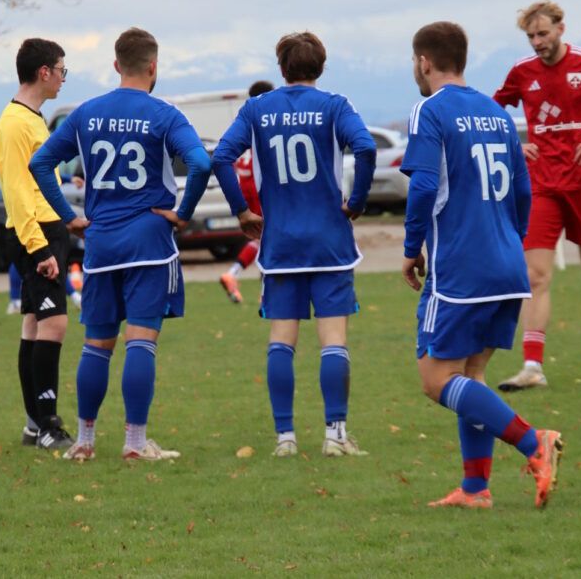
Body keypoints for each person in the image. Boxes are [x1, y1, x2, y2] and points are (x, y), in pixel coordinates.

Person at [29, 27, 211, 462]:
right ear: (153, 66)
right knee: (140, 341)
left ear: (116, 65)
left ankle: (85, 442)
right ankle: (134, 442)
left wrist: (70, 217)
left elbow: (41, 162)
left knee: (97, 343)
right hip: (149, 243)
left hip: (102, 243)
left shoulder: (87, 113)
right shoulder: (164, 114)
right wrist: (183, 213)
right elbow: (201, 162)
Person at [401, 21, 562, 509]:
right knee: (470, 375)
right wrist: (510, 240)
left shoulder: (431, 109)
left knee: (436, 380)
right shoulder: (496, 113)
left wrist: (411, 246)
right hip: (506, 263)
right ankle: (475, 489)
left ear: (424, 62)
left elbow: (423, 186)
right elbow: (524, 190)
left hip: (460, 269)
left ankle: (535, 442)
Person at [212, 32, 376, 457]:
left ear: (282, 68)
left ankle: (285, 438)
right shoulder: (335, 105)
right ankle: (335, 435)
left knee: (281, 341)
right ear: (321, 66)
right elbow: (365, 146)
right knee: (333, 339)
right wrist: (357, 202)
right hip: (329, 242)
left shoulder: (257, 108)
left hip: (281, 243)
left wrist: (241, 211)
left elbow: (221, 157)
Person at [493, 0, 581, 390]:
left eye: (543, 33)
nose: (537, 42)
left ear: (561, 28)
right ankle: (533, 367)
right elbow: (492, 111)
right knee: (534, 276)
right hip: (541, 186)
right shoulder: (522, 71)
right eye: (531, 36)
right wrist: (515, 145)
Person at [0, 38, 81, 450]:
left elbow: (39, 181)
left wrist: (68, 216)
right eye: (62, 70)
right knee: (54, 324)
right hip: (35, 234)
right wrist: (40, 248)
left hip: (47, 228)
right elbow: (16, 191)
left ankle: (34, 426)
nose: (63, 78)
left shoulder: (33, 117)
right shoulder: (15, 123)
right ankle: (48, 425)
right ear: (44, 71)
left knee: (33, 323)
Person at [219, 79, 275, 303]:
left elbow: (227, 158)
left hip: (244, 188)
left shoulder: (244, 121)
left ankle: (234, 274)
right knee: (271, 239)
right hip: (260, 188)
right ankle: (266, 291)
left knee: (263, 239)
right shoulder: (268, 121)